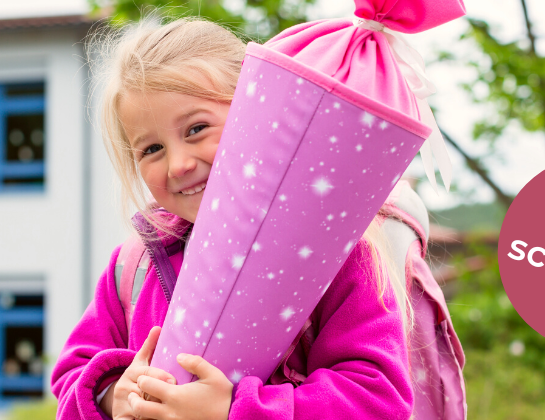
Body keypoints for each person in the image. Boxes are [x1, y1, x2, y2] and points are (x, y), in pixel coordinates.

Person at [51, 17, 416, 420]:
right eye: (151, 148)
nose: (179, 164)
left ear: (255, 114)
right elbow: (72, 372)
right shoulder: (133, 266)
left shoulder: (338, 249)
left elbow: (377, 399)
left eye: (196, 128)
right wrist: (111, 394)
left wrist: (235, 409)